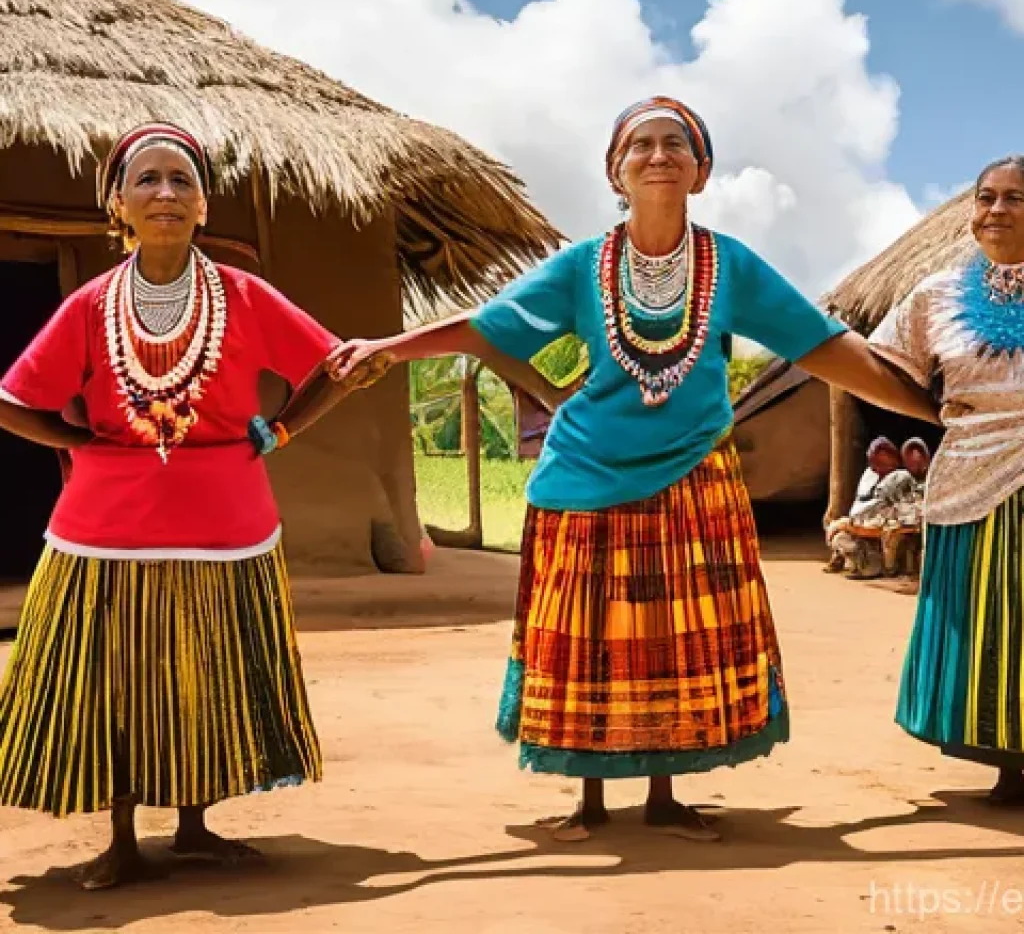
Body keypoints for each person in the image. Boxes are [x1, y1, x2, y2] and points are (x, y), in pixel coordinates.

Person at [280, 96, 937, 842]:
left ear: (701, 171)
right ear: (614, 171)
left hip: (692, 477)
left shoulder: (731, 267)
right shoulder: (583, 268)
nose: (658, 156)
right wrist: (390, 348)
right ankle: (587, 800)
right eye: (640, 145)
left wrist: (935, 411)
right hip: (584, 477)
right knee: (587, 639)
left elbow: (822, 345)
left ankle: (662, 796)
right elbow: (487, 327)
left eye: (675, 145)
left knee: (672, 640)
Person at [0, 123, 356, 889]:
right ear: (117, 205)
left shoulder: (245, 297)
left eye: (181, 181)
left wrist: (283, 428)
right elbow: (14, 400)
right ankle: (121, 839)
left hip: (226, 529)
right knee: (114, 684)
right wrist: (76, 440)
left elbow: (335, 366)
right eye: (147, 180)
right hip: (104, 536)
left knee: (207, 678)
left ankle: (195, 828)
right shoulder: (91, 307)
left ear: (204, 205)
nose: (165, 193)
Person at [869, 154, 1024, 805]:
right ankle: (1009, 761)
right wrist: (937, 414)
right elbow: (881, 368)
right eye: (986, 197)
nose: (996, 210)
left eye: (1014, 198)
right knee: (990, 625)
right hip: (968, 480)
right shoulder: (935, 295)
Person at [826, 437, 909, 578]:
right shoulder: (869, 475)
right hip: (862, 524)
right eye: (876, 458)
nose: (880, 462)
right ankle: (850, 561)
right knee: (837, 534)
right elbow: (861, 503)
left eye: (884, 458)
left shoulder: (901, 477)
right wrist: (853, 524)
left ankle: (884, 568)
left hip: (886, 526)